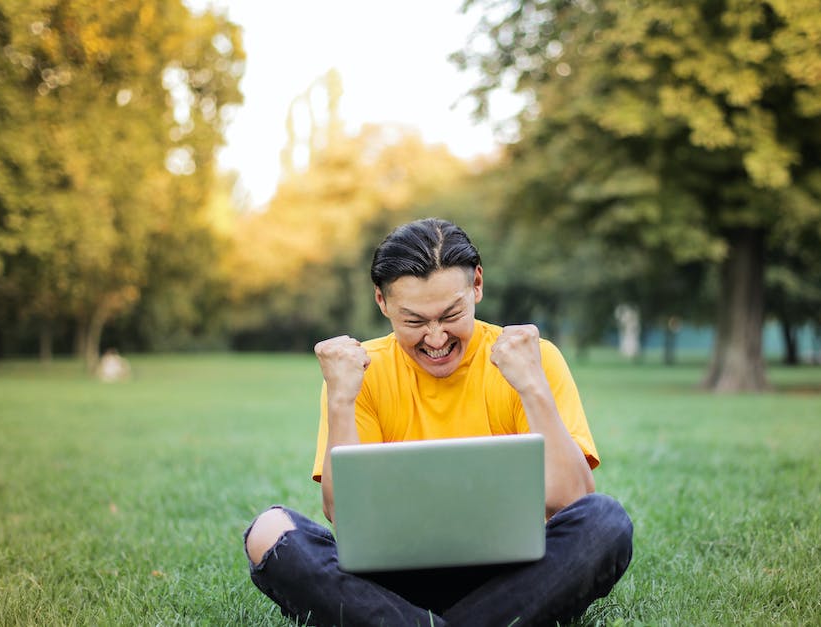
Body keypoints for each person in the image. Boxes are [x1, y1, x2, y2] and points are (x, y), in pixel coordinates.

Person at [244, 218, 633, 626]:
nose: (435, 338)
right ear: (382, 301)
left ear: (477, 285)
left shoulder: (531, 359)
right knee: (268, 531)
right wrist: (341, 399)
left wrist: (532, 386)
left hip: (511, 577)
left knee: (605, 521)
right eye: (414, 322)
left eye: (451, 315)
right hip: (390, 581)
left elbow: (575, 502)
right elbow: (344, 514)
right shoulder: (357, 372)